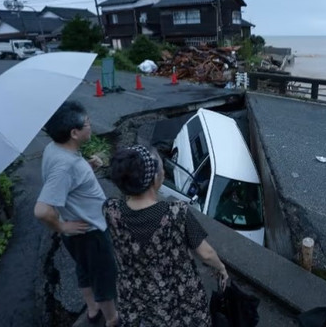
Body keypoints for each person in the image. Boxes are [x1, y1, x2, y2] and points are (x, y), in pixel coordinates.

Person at [104, 145, 229, 327]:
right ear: (155, 178)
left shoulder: (110, 210)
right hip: (179, 297)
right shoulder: (176, 213)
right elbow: (206, 253)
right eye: (161, 168)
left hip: (134, 296)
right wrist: (221, 268)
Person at [34, 101, 119, 327]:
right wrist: (62, 227)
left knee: (84, 269)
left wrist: (88, 167)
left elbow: (66, 181)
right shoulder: (66, 165)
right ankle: (112, 319)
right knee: (103, 276)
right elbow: (41, 210)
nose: (90, 126)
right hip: (89, 231)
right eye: (87, 124)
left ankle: (92, 310)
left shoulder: (55, 148)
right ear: (74, 133)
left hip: (76, 229)